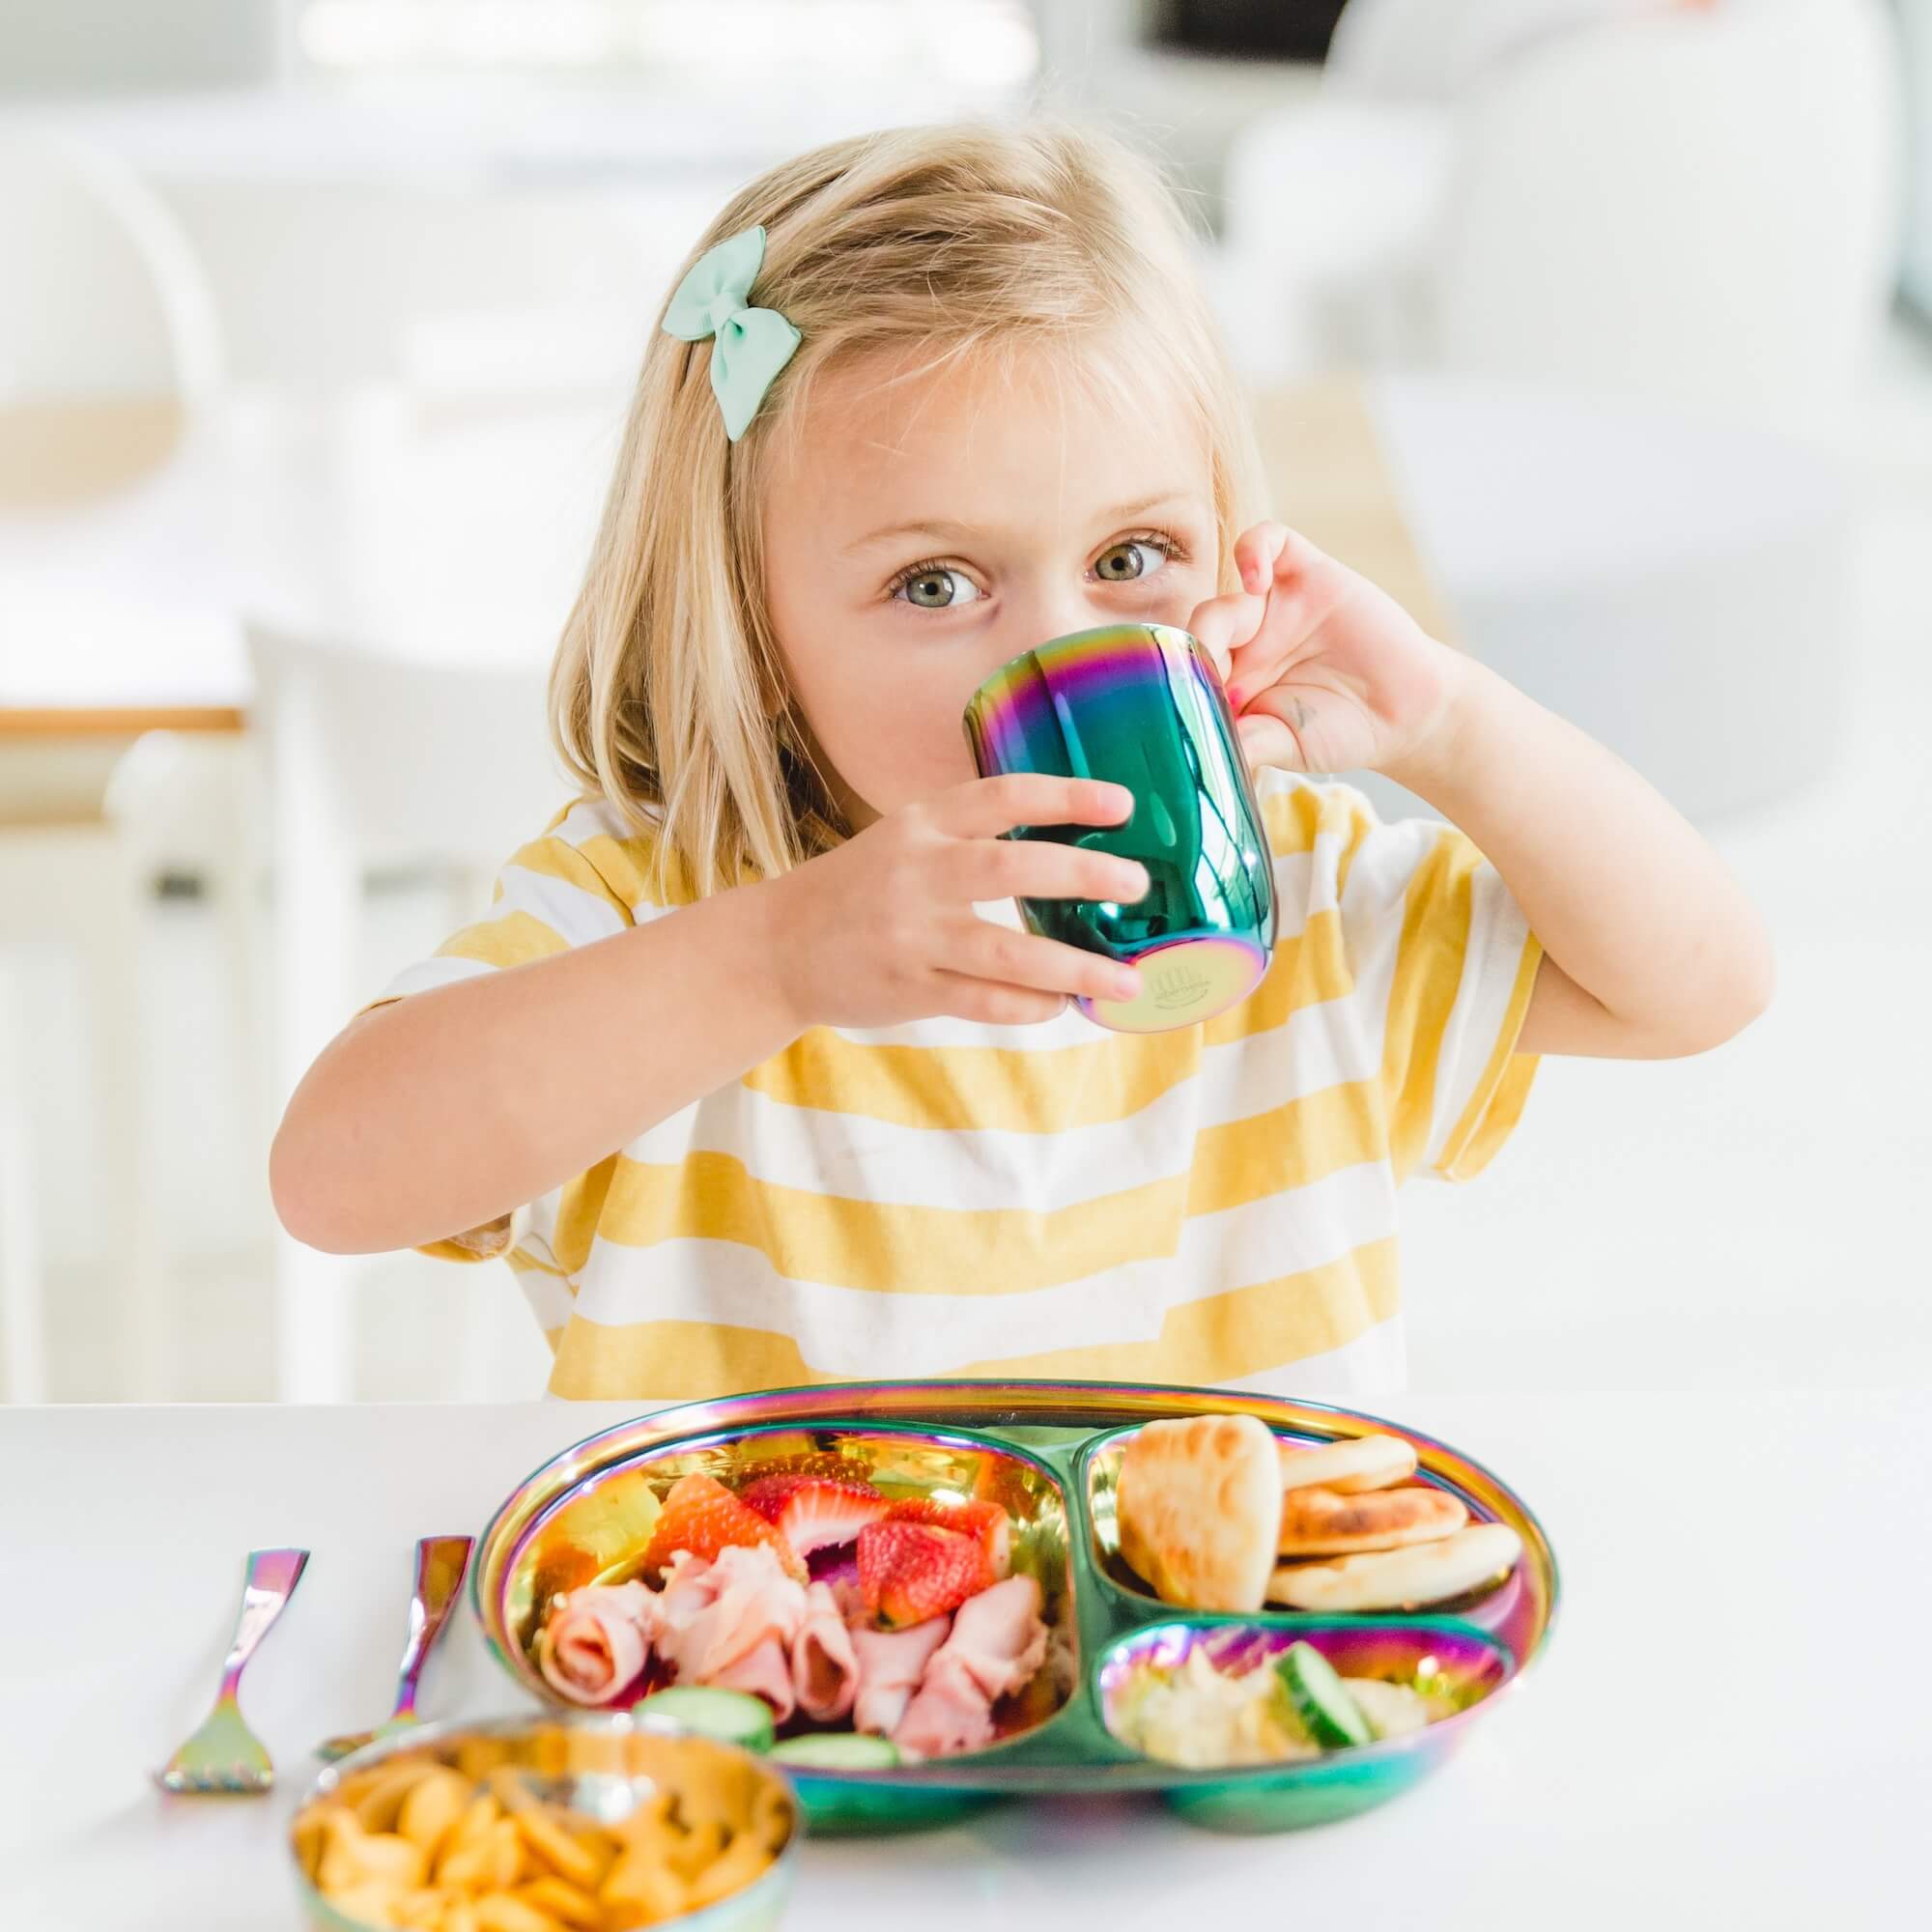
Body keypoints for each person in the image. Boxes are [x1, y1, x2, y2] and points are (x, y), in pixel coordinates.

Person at [270, 122, 1771, 1404]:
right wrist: (775, 962)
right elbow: (333, 1178)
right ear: (749, 617)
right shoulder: (666, 909)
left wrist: (1450, 723)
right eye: (937, 584)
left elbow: (1701, 985)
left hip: (1218, 1695)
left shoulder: (1301, 894)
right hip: (781, 1715)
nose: (1051, 651)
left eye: (1134, 554)